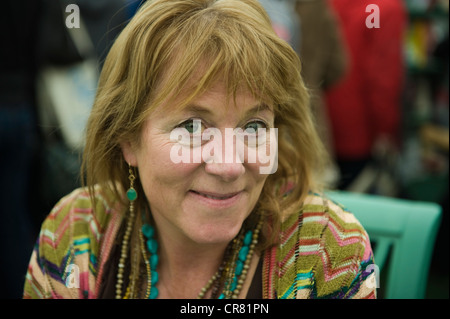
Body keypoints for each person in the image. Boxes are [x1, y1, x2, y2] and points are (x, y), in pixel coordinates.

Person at [23, 0, 375, 299]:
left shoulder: (327, 251)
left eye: (253, 127)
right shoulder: (74, 231)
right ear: (128, 140)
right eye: (192, 127)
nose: (228, 165)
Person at [325, 0, 407, 190]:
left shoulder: (329, 4)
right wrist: (386, 131)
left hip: (325, 123)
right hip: (361, 131)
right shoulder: (383, 8)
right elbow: (382, 79)